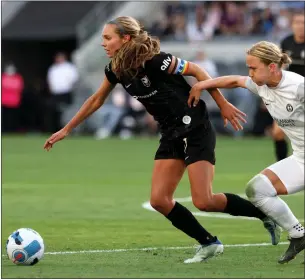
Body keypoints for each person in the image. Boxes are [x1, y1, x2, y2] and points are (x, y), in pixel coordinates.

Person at [44, 17, 280, 263]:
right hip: (170, 133)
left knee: (204, 201)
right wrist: (67, 129)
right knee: (159, 200)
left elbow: (197, 71)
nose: (103, 43)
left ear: (125, 39)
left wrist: (222, 104)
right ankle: (209, 243)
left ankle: (264, 214)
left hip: (195, 127)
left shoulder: (156, 61)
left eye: (107, 38)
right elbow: (96, 100)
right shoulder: (114, 69)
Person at [190, 40, 304, 264]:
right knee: (258, 189)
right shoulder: (261, 84)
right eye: (248, 68)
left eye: (253, 68)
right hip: (301, 158)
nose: (249, 73)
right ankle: (298, 234)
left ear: (272, 67)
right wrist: (201, 85)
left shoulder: (298, 87)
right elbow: (233, 80)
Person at [271, 11, 305, 162]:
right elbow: (280, 68)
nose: (300, 26)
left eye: (303, 23)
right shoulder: (286, 42)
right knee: (277, 132)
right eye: (297, 22)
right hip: (289, 95)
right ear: (292, 25)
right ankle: (282, 167)